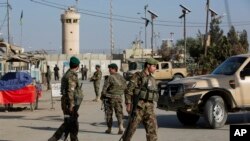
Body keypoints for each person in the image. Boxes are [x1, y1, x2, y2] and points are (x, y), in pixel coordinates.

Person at [122, 58, 159, 141]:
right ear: (148, 66)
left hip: (149, 108)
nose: (155, 68)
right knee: (130, 130)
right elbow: (129, 90)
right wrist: (128, 104)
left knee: (152, 131)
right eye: (154, 66)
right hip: (138, 108)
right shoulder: (137, 76)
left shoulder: (152, 78)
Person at [48, 56, 83, 141]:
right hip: (70, 103)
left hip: (67, 102)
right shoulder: (71, 75)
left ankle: (59, 138)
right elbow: (70, 91)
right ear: (77, 66)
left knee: (70, 123)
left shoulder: (67, 73)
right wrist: (71, 105)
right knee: (71, 124)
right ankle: (54, 138)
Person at [100, 63, 127, 134]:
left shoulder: (110, 77)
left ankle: (109, 128)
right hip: (118, 98)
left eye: (110, 68)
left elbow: (104, 89)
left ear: (115, 69)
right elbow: (125, 87)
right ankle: (121, 127)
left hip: (110, 98)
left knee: (109, 113)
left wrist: (102, 96)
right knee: (119, 113)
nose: (109, 70)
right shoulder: (121, 77)